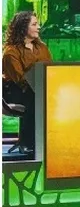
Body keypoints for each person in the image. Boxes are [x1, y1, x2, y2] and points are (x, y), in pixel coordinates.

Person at [2, 11, 52, 154]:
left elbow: (51, 69)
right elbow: (21, 81)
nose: (39, 27)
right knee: (35, 96)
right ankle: (28, 142)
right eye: (34, 24)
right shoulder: (11, 52)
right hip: (15, 91)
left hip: (40, 88)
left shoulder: (42, 47)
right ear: (23, 27)